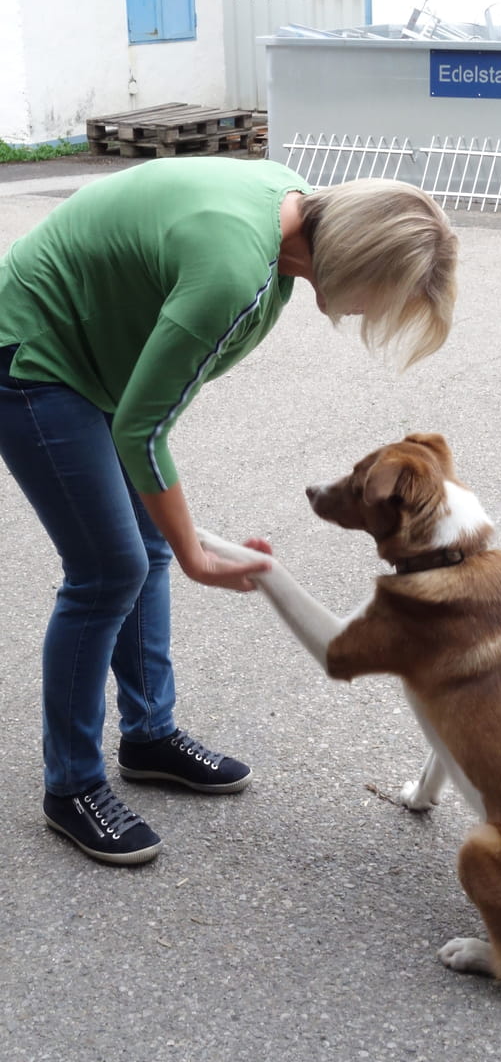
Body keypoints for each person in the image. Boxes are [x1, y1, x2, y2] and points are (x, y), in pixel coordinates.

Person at [0, 156, 458, 867]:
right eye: (384, 294)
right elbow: (142, 427)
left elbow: (151, 405)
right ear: (360, 258)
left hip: (92, 352)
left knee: (142, 549)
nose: (371, 313)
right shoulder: (235, 271)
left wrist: (168, 531)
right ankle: (71, 785)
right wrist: (196, 553)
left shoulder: (283, 219)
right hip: (33, 349)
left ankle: (148, 736)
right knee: (107, 569)